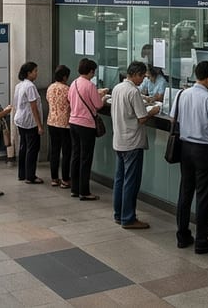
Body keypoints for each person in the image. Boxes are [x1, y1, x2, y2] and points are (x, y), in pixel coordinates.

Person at [175, 60, 208, 253]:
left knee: (185, 192)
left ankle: (182, 235)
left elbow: (176, 118)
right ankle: (201, 240)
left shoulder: (182, 94)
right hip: (203, 151)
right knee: (203, 196)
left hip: (185, 148)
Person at [112, 61, 159, 230]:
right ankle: (128, 218)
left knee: (120, 180)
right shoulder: (133, 91)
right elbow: (142, 118)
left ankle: (119, 214)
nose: (143, 80)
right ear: (137, 75)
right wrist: (152, 111)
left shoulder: (118, 88)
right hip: (132, 142)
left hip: (119, 140)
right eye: (142, 76)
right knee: (131, 181)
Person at [68, 58, 108, 201]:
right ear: (90, 71)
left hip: (73, 122)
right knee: (86, 158)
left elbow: (70, 99)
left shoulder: (74, 83)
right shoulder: (90, 85)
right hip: (86, 124)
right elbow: (98, 105)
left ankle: (74, 188)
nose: (94, 74)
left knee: (76, 155)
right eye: (93, 72)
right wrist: (102, 98)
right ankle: (84, 191)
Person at [13, 62, 44, 184]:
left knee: (23, 147)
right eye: (35, 71)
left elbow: (16, 103)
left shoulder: (19, 85)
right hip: (30, 121)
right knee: (32, 149)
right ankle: (30, 176)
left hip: (20, 119)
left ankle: (22, 174)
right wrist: (39, 125)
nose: (37, 73)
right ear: (28, 73)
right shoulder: (30, 86)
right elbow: (34, 107)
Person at [46, 65, 72, 189]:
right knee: (66, 152)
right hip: (65, 124)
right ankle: (65, 179)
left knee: (54, 151)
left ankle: (54, 178)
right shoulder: (67, 89)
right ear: (64, 77)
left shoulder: (50, 88)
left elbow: (48, 100)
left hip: (52, 122)